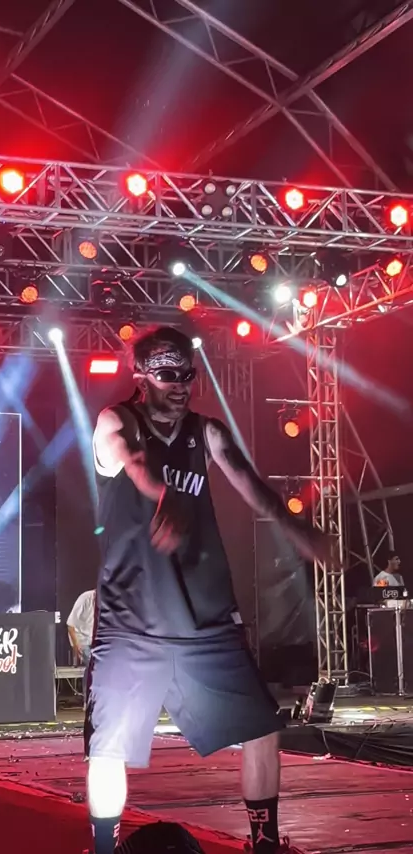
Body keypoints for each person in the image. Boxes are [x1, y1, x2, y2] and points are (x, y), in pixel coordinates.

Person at [86, 326, 329, 854]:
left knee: (262, 727)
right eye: (167, 374)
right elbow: (133, 458)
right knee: (108, 746)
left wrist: (296, 529)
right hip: (132, 621)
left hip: (205, 619)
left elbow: (251, 485)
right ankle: (104, 847)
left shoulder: (206, 432)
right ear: (140, 377)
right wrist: (162, 494)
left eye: (187, 374)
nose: (180, 385)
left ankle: (264, 843)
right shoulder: (116, 420)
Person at [67, 589, 96, 697]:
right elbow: (70, 625)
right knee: (92, 664)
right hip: (80, 637)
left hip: (93, 638)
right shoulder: (85, 599)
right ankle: (86, 697)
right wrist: (76, 644)